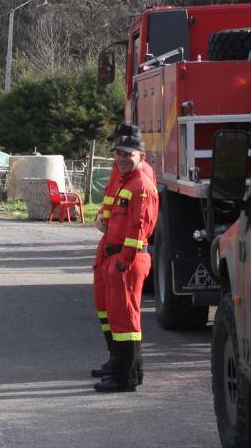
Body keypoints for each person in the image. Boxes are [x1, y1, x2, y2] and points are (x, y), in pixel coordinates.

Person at [90, 123, 156, 379]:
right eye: (118, 152)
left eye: (127, 153)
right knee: (113, 314)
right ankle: (120, 365)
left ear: (140, 155)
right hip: (112, 251)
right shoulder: (124, 176)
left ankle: (125, 374)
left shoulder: (140, 182)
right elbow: (113, 207)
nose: (121, 158)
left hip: (124, 258)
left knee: (125, 319)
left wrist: (123, 261)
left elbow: (139, 226)